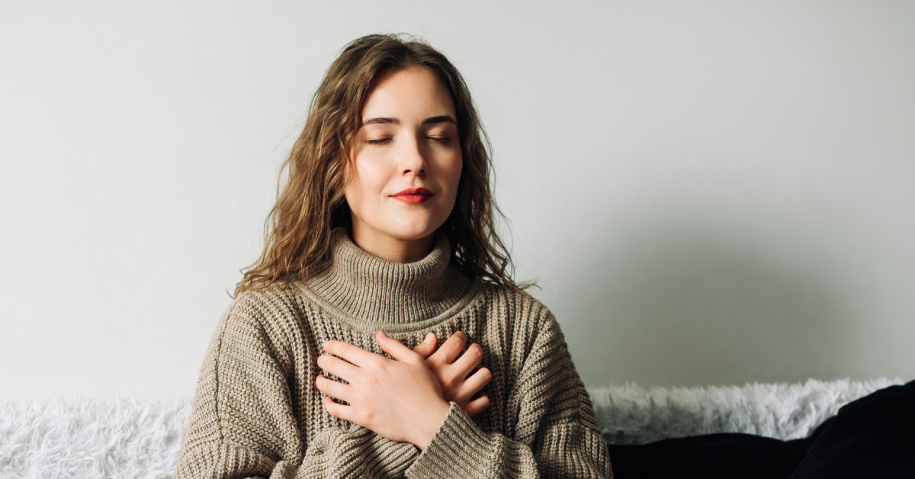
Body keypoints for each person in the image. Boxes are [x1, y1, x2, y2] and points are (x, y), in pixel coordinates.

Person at [174, 33, 613, 478]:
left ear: (464, 159)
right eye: (381, 137)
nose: (415, 160)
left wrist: (431, 421)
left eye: (439, 136)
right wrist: (393, 441)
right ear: (332, 160)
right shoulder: (262, 325)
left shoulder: (525, 330)